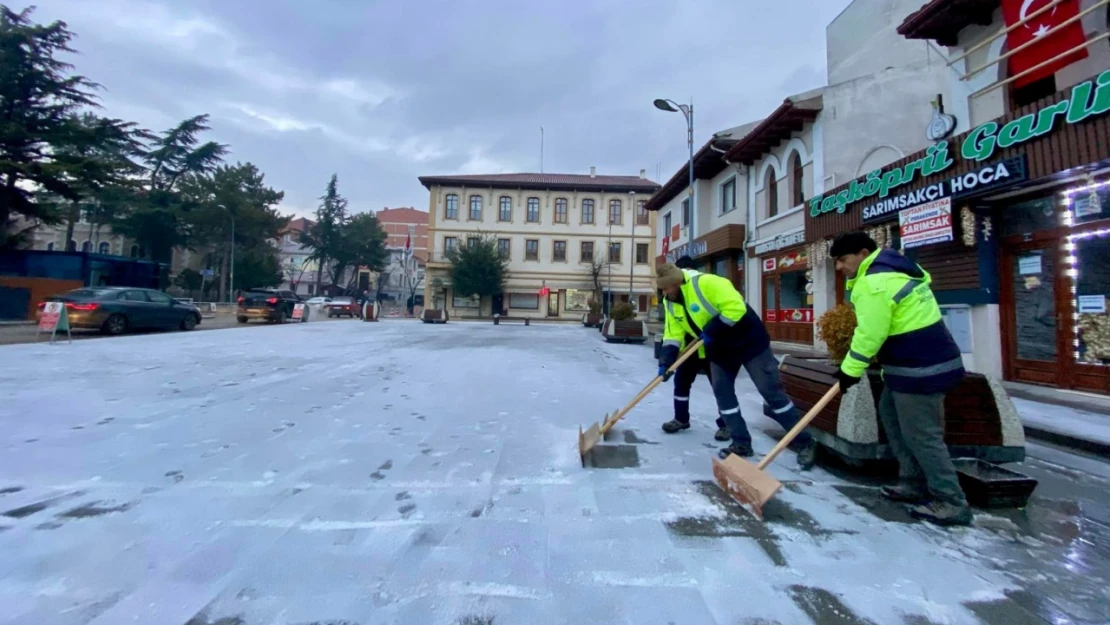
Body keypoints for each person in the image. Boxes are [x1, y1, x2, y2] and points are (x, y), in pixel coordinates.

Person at [829, 231, 971, 526]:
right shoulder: (892, 270)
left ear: (862, 252)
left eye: (843, 259)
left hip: (921, 370)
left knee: (923, 436)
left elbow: (871, 334)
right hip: (910, 367)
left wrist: (849, 371)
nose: (839, 267)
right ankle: (912, 482)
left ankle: (951, 500)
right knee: (891, 418)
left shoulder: (876, 282)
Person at [655, 262, 817, 469]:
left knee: (771, 393)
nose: (665, 292)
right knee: (723, 394)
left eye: (667, 287)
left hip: (749, 342)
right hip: (720, 349)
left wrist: (712, 329)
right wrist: (666, 361)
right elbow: (673, 333)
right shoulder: (671, 301)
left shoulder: (708, 283)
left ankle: (804, 442)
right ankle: (741, 442)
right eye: (663, 289)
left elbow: (736, 307)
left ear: (677, 282)